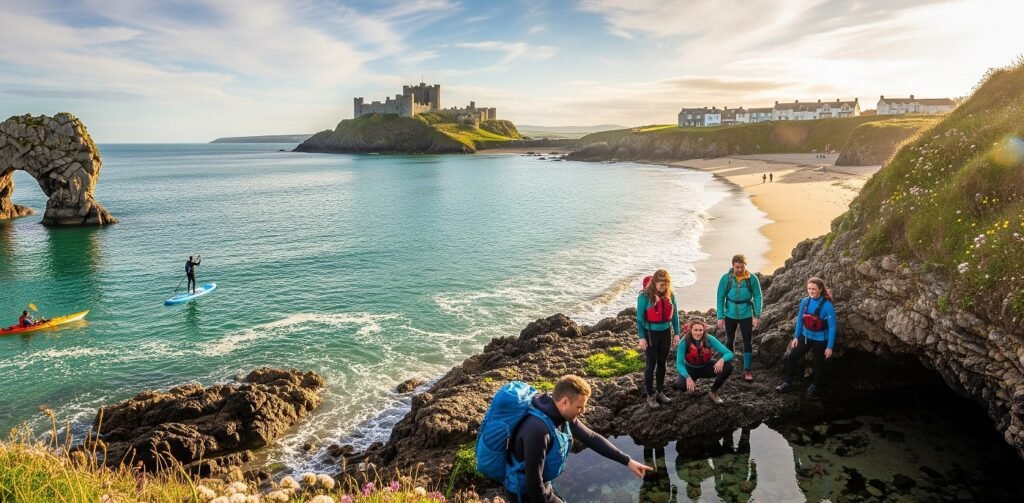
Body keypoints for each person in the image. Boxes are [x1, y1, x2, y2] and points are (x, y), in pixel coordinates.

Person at [506, 375, 652, 502]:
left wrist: (627, 461)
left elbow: (592, 437)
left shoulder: (559, 413)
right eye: (579, 407)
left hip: (543, 486)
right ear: (565, 401)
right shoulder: (538, 430)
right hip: (524, 494)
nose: (582, 412)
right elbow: (533, 483)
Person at [775, 277, 837, 398]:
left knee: (818, 364)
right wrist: (796, 337)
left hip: (821, 339)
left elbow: (832, 327)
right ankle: (787, 383)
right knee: (792, 356)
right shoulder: (805, 301)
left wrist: (829, 347)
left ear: (820, 289)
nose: (811, 291)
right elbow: (799, 320)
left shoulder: (827, 305)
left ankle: (815, 386)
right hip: (806, 336)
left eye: (813, 289)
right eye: (809, 289)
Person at [636, 269, 681, 409]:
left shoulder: (670, 294)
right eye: (661, 284)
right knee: (651, 365)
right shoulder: (644, 297)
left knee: (663, 363)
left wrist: (677, 333)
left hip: (666, 332)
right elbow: (639, 319)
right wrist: (642, 337)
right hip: (651, 334)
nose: (664, 287)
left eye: (666, 284)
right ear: (654, 282)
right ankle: (650, 396)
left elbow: (675, 315)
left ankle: (660, 392)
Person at [715, 254, 763, 382]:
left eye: (742, 267)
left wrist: (757, 315)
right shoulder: (726, 279)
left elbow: (758, 297)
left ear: (745, 266)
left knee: (747, 341)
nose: (740, 269)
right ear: (733, 265)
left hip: (746, 313)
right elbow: (720, 297)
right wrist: (720, 316)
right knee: (729, 340)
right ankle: (728, 366)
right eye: (737, 267)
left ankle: (747, 370)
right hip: (729, 314)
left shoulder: (752, 279)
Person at [675, 320, 733, 404]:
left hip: (706, 367)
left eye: (700, 330)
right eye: (695, 330)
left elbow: (729, 353)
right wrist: (687, 377)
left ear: (704, 330)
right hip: (690, 369)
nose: (698, 333)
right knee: (681, 386)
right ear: (690, 330)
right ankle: (692, 381)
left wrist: (722, 360)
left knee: (728, 366)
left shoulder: (709, 339)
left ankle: (713, 391)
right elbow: (679, 363)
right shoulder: (684, 342)